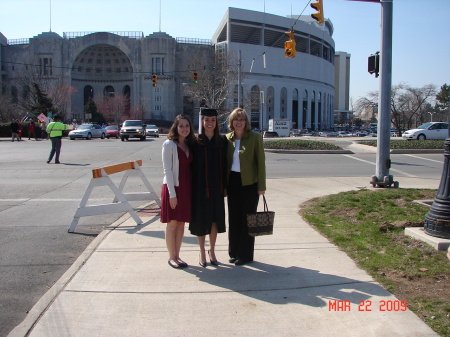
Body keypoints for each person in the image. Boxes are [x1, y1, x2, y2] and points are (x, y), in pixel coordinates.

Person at [226, 108, 266, 266]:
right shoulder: (227, 138)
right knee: (234, 218)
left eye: (242, 119)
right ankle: (234, 252)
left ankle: (245, 255)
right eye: (236, 119)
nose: (239, 122)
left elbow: (260, 163)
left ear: (246, 122)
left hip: (250, 183)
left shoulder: (255, 138)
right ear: (231, 122)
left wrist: (261, 186)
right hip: (233, 182)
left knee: (248, 220)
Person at [189, 109, 227, 267]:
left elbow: (225, 165)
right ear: (202, 121)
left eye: (213, 120)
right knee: (200, 219)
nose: (210, 123)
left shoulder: (222, 141)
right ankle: (202, 251)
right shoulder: (196, 141)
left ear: (216, 122)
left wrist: (225, 186)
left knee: (214, 220)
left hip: (217, 187)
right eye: (207, 120)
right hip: (200, 188)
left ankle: (212, 250)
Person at [160, 114, 196, 269]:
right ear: (175, 127)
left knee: (181, 223)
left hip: (186, 188)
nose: (184, 128)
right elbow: (167, 170)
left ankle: (178, 255)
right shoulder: (169, 144)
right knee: (172, 223)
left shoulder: (189, 144)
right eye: (181, 126)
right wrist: (172, 195)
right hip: (173, 188)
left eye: (187, 125)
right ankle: (171, 257)